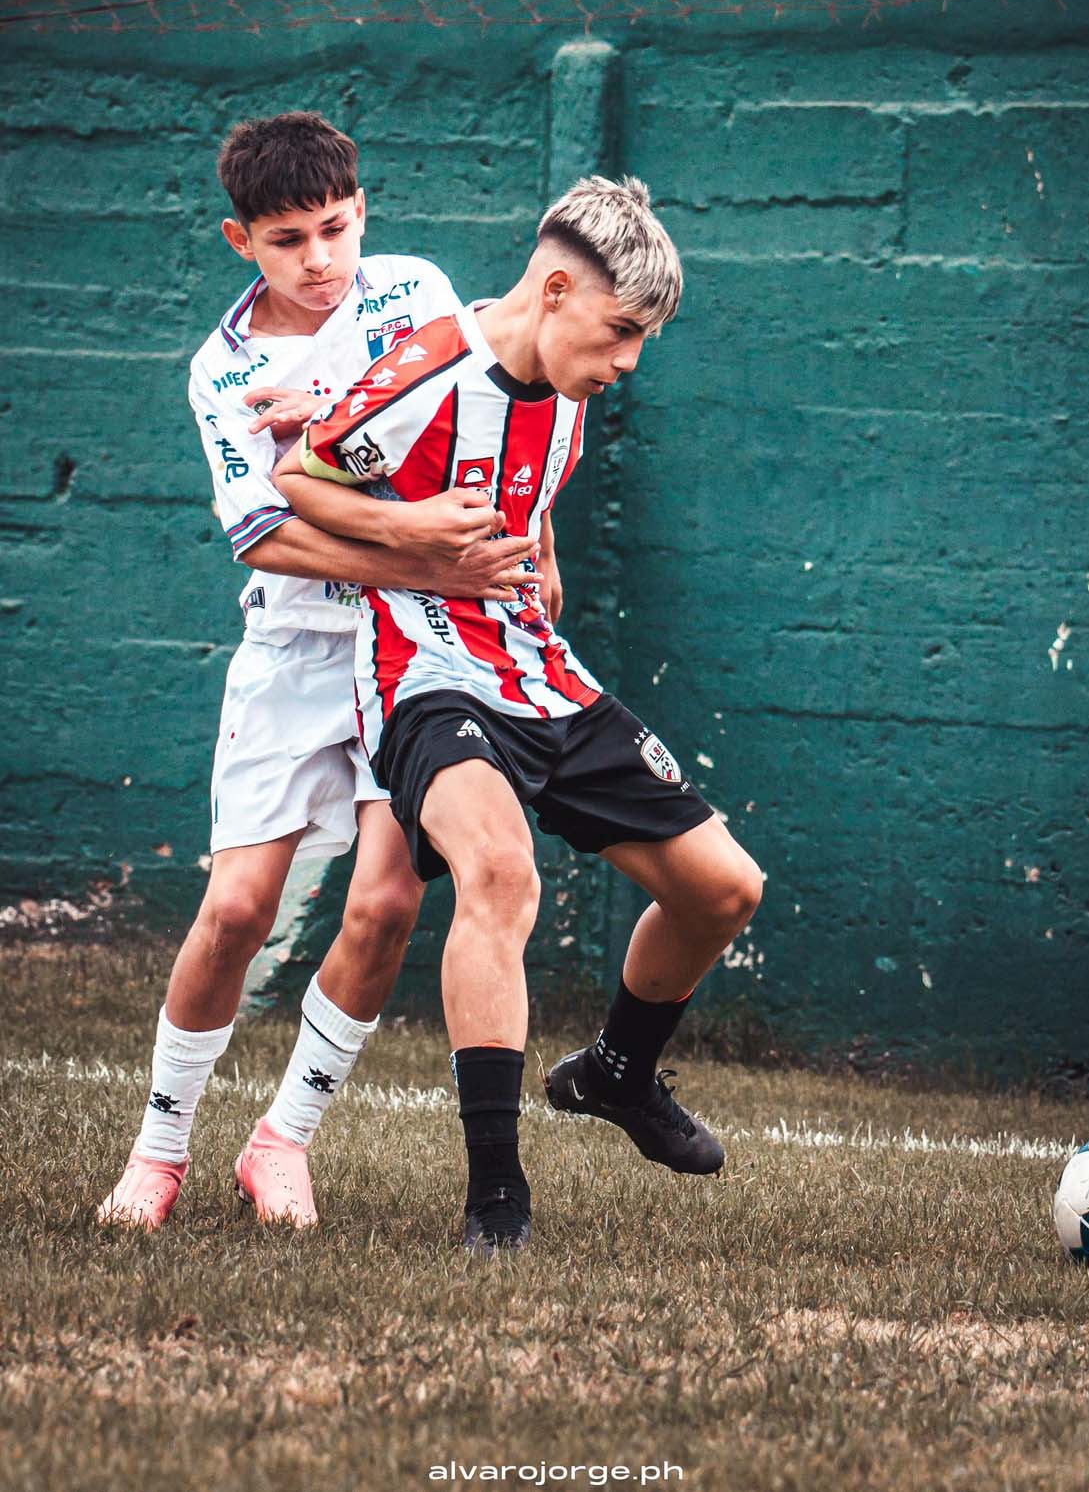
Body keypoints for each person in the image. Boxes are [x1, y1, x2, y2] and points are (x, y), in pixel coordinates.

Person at [274, 175, 763, 1255]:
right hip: (424, 666)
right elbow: (298, 479)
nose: (628, 358)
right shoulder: (428, 368)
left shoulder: (571, 389)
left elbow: (526, 499)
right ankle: (496, 1195)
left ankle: (616, 1073)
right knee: (500, 869)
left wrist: (540, 564)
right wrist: (412, 533)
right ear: (552, 289)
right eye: (621, 330)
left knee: (725, 888)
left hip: (542, 672)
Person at [98, 113, 538, 1231]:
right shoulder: (224, 367)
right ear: (240, 239)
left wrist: (489, 553)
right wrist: (418, 538)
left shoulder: (418, 295)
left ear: (363, 213)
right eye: (288, 238)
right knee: (238, 904)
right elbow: (265, 534)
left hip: (413, 642)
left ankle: (280, 1140)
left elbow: (487, 435)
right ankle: (158, 1152)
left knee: (387, 901)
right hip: (295, 649)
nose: (321, 258)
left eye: (336, 228)